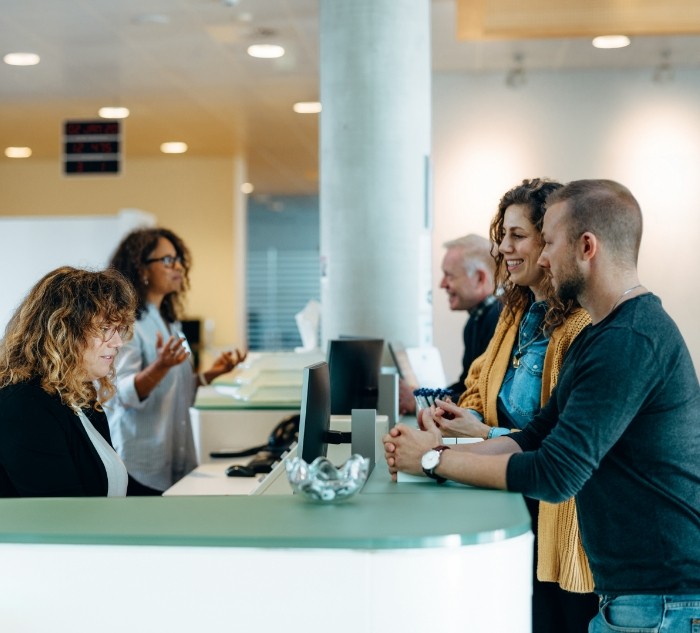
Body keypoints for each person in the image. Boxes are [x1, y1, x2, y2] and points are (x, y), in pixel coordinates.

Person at [384, 179, 700, 633]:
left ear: (586, 247)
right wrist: (432, 454)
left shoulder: (628, 341)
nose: (543, 257)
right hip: (641, 597)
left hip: (661, 602)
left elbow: (555, 473)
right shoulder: (601, 336)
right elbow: (532, 439)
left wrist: (434, 460)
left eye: (548, 242)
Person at [428, 179, 596, 633]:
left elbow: (558, 445)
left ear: (551, 240)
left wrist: (477, 435)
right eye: (502, 236)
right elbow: (477, 387)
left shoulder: (582, 327)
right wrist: (469, 419)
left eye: (517, 236)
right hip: (513, 497)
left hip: (563, 520)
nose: (503, 249)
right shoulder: (514, 313)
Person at [106, 227, 247, 495]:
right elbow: (122, 394)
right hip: (140, 462)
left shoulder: (170, 322)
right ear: (142, 269)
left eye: (179, 259)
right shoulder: (128, 323)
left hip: (172, 456)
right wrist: (160, 367)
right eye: (168, 260)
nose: (179, 267)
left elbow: (173, 389)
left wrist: (211, 374)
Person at [0, 266, 137, 497]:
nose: (117, 343)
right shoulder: (24, 405)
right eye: (105, 328)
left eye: (118, 329)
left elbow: (112, 481)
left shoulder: (78, 393)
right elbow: (61, 515)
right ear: (63, 331)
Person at [398, 234, 500, 414]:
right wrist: (422, 396)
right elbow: (466, 386)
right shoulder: (475, 321)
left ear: (479, 278)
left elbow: (481, 396)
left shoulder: (498, 320)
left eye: (449, 276)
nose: (441, 284)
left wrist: (420, 403)